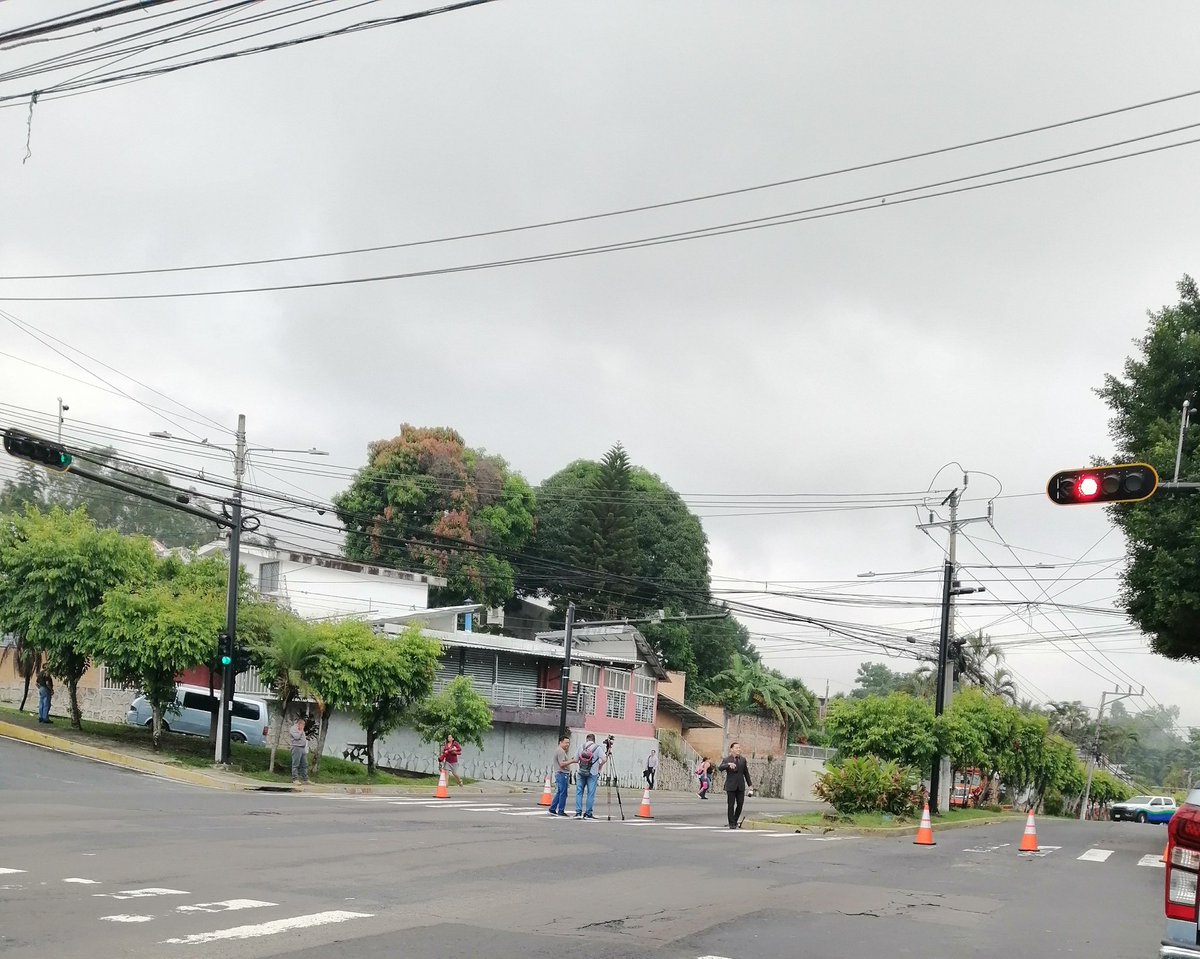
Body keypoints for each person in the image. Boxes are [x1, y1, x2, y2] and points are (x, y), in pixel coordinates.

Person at [719, 741, 753, 829]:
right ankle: (731, 823)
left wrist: (750, 785)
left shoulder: (743, 760)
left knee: (740, 804)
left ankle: (735, 820)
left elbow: (746, 773)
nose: (738, 749)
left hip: (740, 785)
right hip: (731, 785)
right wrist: (728, 765)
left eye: (739, 747)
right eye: (736, 748)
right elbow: (720, 768)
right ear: (732, 749)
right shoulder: (727, 759)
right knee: (731, 805)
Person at [574, 733, 608, 819]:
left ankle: (578, 812)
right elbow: (604, 759)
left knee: (579, 792)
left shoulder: (581, 747)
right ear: (594, 740)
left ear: (587, 739)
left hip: (581, 772)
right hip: (593, 773)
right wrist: (600, 764)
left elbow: (576, 759)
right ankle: (588, 813)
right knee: (590, 793)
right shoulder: (597, 748)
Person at [548, 734, 575, 816]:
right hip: (562, 773)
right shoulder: (561, 751)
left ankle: (552, 808)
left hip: (560, 773)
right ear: (560, 742)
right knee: (563, 793)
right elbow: (562, 764)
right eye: (566, 742)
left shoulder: (560, 751)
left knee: (560, 792)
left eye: (568, 743)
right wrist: (572, 761)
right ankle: (561, 810)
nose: (567, 744)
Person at [289, 717, 310, 785]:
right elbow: (296, 737)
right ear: (299, 723)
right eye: (303, 724)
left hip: (302, 748)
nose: (304, 726)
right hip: (296, 747)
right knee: (295, 764)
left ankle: (305, 779)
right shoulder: (293, 729)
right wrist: (301, 730)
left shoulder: (302, 729)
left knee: (304, 764)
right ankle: (294, 779)